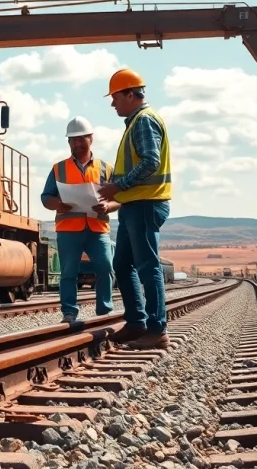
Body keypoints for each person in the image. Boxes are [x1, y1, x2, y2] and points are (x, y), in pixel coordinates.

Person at [97, 68, 172, 350]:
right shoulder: (136, 122)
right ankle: (137, 322)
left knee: (147, 266)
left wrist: (118, 186)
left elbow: (150, 161)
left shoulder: (143, 121)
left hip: (145, 204)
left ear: (130, 94)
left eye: (115, 97)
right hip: (135, 204)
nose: (113, 103)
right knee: (123, 264)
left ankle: (156, 329)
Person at [41, 116, 119, 323]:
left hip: (98, 228)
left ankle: (104, 311)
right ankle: (69, 312)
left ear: (91, 139)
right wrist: (57, 204)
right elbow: (46, 197)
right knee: (68, 272)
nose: (77, 143)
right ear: (68, 142)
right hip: (68, 229)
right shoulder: (59, 169)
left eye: (81, 138)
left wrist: (108, 206)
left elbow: (120, 198)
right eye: (73, 140)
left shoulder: (106, 168)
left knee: (105, 268)